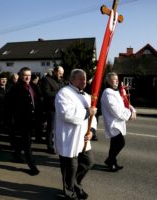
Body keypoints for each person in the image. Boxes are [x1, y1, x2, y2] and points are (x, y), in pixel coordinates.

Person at [54, 69, 97, 200]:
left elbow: (93, 117)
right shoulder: (64, 93)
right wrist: (87, 112)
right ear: (72, 80)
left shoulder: (87, 96)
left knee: (88, 162)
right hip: (69, 138)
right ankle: (69, 192)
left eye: (85, 79)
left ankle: (75, 185)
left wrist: (92, 131)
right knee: (70, 168)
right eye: (81, 79)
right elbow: (66, 114)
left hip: (84, 138)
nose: (84, 81)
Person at [6, 67, 42, 176]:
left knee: (26, 141)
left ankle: (16, 154)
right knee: (27, 144)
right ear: (20, 76)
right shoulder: (15, 88)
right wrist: (10, 121)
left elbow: (38, 103)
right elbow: (9, 106)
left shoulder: (34, 86)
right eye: (25, 75)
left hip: (33, 120)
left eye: (29, 75)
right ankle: (32, 167)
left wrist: (41, 118)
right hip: (22, 121)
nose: (27, 77)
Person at [101, 72, 136, 172]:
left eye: (117, 79)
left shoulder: (115, 91)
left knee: (114, 144)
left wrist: (132, 110)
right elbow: (116, 110)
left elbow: (124, 104)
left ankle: (112, 161)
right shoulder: (108, 93)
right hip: (113, 122)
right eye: (114, 79)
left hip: (117, 122)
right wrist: (129, 115)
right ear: (108, 81)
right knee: (120, 143)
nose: (116, 81)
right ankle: (109, 161)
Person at [40, 65, 65, 154]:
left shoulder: (61, 81)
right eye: (59, 73)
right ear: (55, 71)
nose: (61, 75)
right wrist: (59, 93)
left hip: (60, 108)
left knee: (57, 127)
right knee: (50, 128)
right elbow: (46, 93)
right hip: (51, 108)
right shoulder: (46, 80)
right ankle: (49, 146)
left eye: (62, 74)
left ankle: (55, 143)